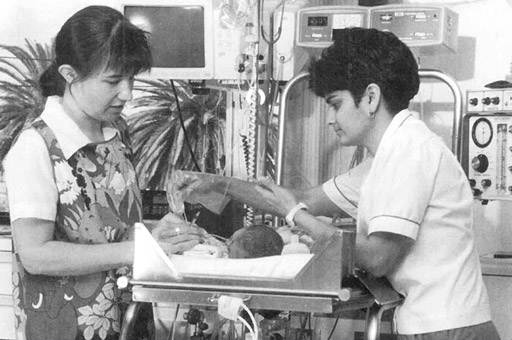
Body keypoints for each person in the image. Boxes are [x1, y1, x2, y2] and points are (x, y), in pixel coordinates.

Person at [176, 28, 500, 339]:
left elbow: (377, 257)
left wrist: (297, 217)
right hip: (435, 323)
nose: (331, 119)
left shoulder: (409, 152)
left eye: (335, 104)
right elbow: (302, 198)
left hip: (448, 327)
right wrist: (216, 185)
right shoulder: (386, 157)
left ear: (370, 97)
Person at [3, 6, 203, 340]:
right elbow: (36, 254)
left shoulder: (115, 133)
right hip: (66, 327)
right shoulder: (35, 147)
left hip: (128, 319)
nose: (127, 93)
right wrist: (136, 251)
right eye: (112, 81)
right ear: (69, 74)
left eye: (131, 78)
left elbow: (106, 228)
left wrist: (153, 235)